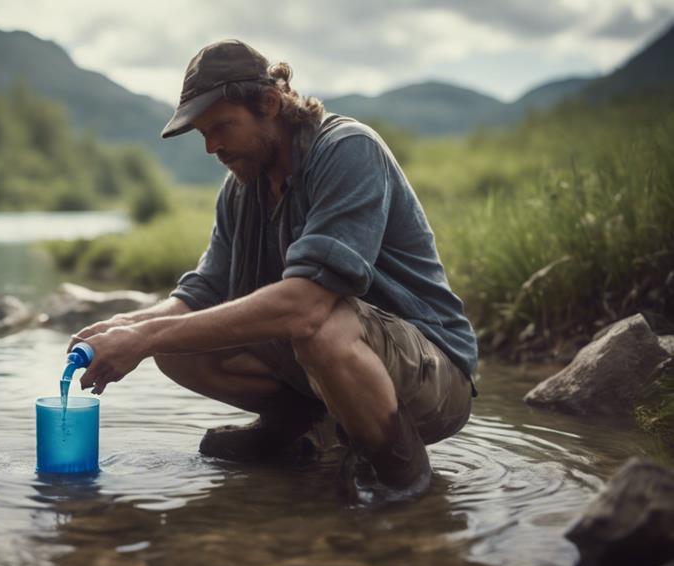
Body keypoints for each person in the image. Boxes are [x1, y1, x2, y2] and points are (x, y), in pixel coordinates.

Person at [68, 39, 478, 499]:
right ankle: (297, 432)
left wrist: (144, 338)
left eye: (221, 126)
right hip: (334, 363)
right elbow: (204, 289)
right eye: (203, 133)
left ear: (269, 102)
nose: (211, 147)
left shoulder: (347, 149)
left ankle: (399, 474)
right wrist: (130, 324)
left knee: (321, 326)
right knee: (175, 345)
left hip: (432, 375)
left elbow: (307, 306)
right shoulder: (242, 186)